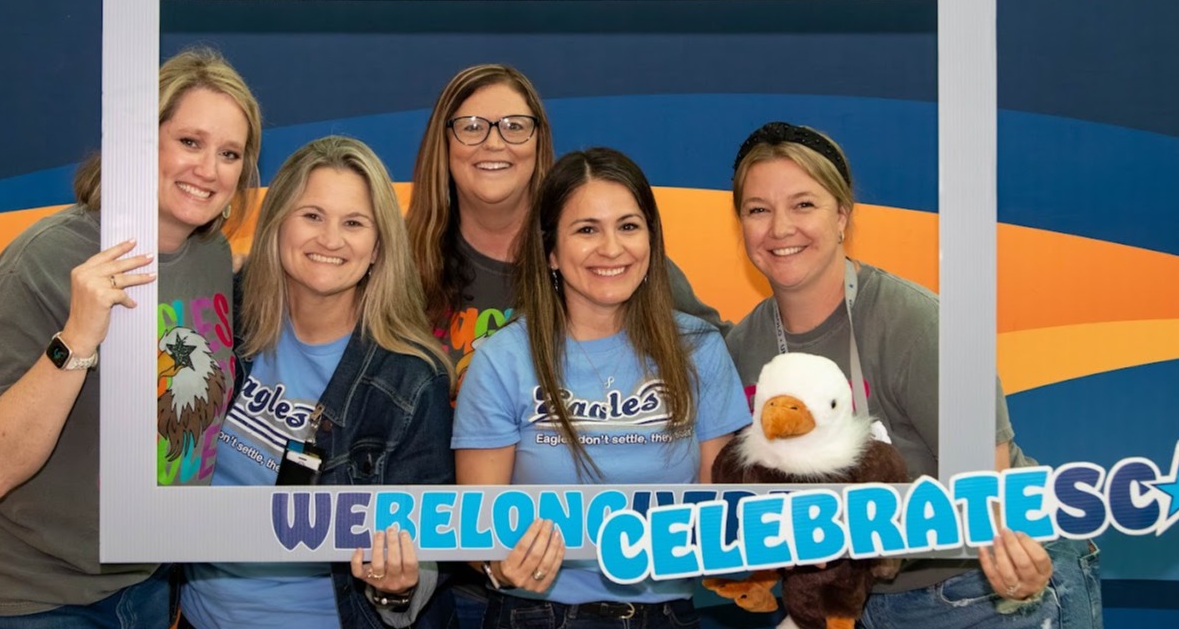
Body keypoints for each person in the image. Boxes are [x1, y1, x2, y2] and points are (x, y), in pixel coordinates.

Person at [724, 121, 1102, 628]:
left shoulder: (917, 324)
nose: (780, 228)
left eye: (804, 204)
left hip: (981, 582)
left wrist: (1014, 574)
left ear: (842, 215)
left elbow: (986, 491)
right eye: (758, 210)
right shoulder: (743, 349)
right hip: (860, 600)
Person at [0, 48, 263, 626]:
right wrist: (78, 337)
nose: (209, 170)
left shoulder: (210, 254)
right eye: (190, 142)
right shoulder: (45, 257)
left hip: (148, 582)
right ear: (140, 142)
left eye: (229, 153)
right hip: (33, 596)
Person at [452, 147, 752, 629]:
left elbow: (719, 511)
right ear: (551, 251)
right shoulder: (501, 359)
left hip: (668, 616)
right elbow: (476, 529)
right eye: (587, 230)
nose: (612, 248)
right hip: (538, 615)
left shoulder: (699, 348)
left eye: (628, 226)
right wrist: (497, 566)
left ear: (651, 239)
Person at [179, 136, 456, 629]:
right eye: (312, 215)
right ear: (277, 224)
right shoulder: (223, 316)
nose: (330, 240)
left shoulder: (411, 378)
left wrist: (397, 587)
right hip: (197, 615)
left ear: (378, 247)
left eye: (354, 223)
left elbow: (428, 557)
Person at [408, 63, 728, 398]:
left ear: (539, 141)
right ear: (443, 142)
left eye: (514, 126)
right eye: (472, 127)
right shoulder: (400, 258)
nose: (494, 143)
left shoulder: (602, 255)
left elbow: (719, 350)